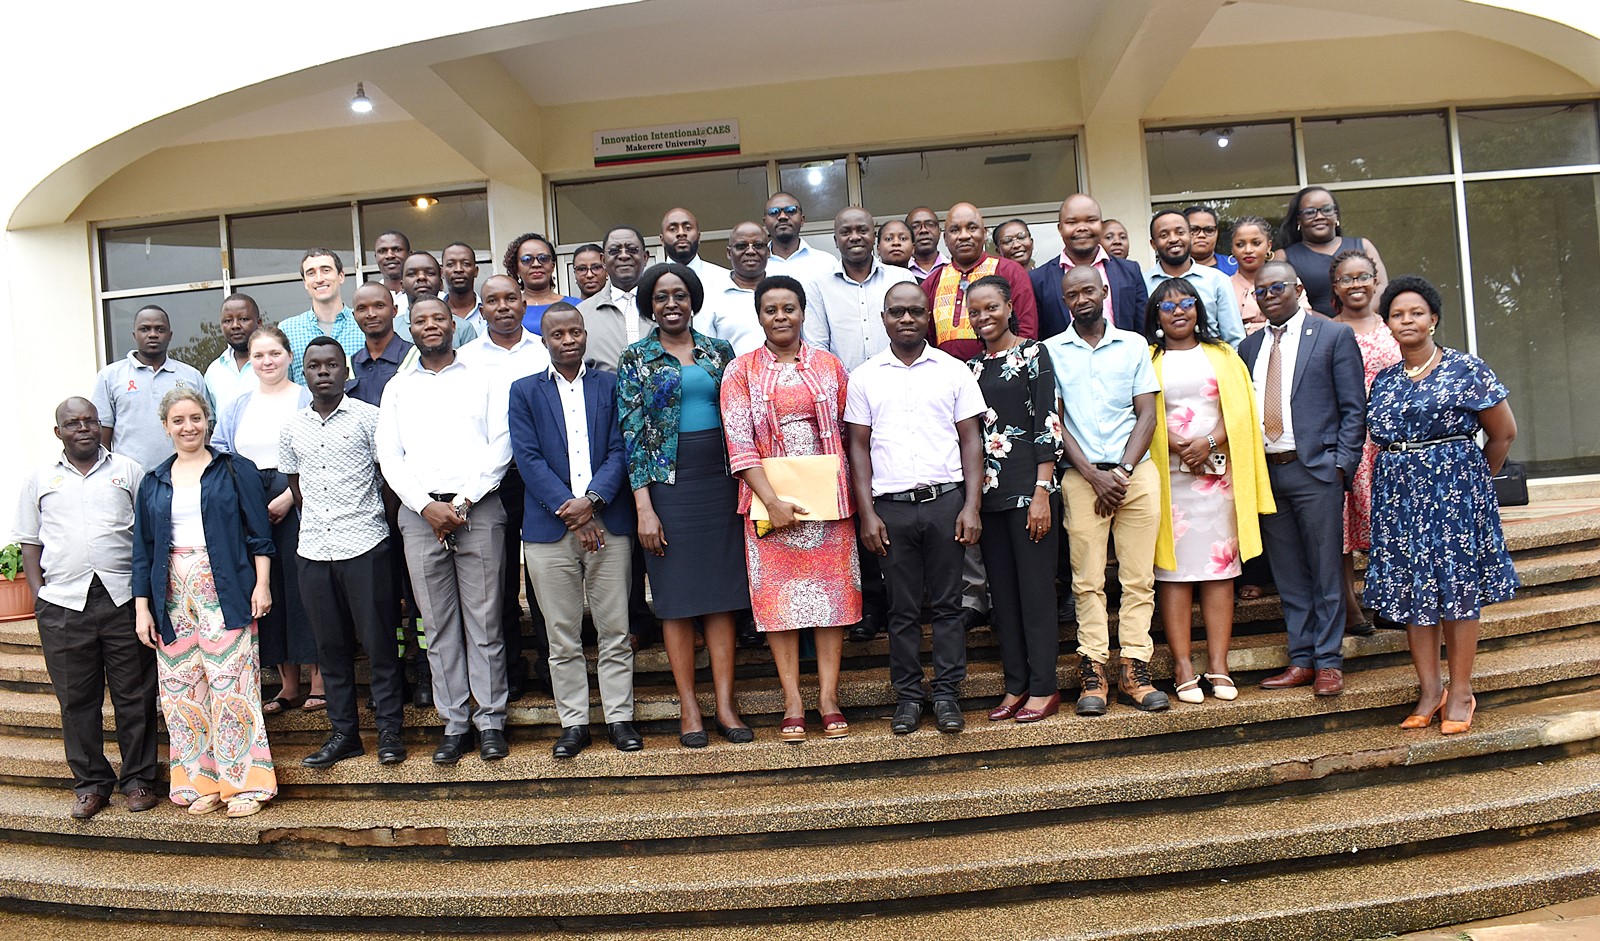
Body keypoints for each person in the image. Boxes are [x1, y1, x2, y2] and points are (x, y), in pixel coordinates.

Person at [1365, 275, 1519, 734]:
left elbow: (1503, 433)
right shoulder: (1386, 380)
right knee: (1414, 593)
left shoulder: (1466, 369)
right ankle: (1430, 690)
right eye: (1397, 314)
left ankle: (1463, 691)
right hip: (1398, 499)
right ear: (1388, 324)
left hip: (1454, 496)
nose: (1406, 320)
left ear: (1433, 319)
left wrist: (1471, 483)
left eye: (1416, 312)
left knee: (1457, 590)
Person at [617, 263, 751, 747]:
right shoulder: (636, 358)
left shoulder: (720, 352)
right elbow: (632, 436)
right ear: (649, 305)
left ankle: (726, 706)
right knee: (675, 605)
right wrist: (644, 508)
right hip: (668, 491)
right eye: (660, 297)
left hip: (719, 484)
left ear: (693, 299)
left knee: (721, 600)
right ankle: (690, 710)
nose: (671, 303)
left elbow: (740, 417)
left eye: (679, 294)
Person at [721, 275, 861, 742]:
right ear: (758, 315)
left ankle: (828, 698)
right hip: (769, 507)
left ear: (802, 312)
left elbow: (847, 434)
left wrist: (841, 493)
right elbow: (738, 444)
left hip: (828, 507)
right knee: (779, 607)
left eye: (789, 308)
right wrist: (772, 501)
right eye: (770, 309)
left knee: (831, 603)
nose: (780, 317)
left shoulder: (829, 366)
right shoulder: (740, 371)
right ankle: (793, 702)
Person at [376, 296, 513, 765]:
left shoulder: (485, 378)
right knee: (436, 626)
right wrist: (425, 506)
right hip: (420, 518)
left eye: (438, 317)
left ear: (454, 323)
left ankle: (491, 720)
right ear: (408, 327)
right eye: (420, 320)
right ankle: (455, 724)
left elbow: (502, 444)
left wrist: (462, 502)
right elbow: (390, 457)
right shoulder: (397, 388)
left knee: (485, 621)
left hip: (478, 510)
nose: (430, 325)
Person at [845, 281, 985, 736]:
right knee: (902, 610)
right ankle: (907, 697)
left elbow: (971, 441)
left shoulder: (953, 370)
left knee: (948, 605)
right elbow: (859, 449)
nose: (906, 319)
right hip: (891, 510)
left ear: (929, 317)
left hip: (945, 502)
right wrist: (867, 513)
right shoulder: (865, 376)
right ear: (884, 318)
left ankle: (946, 694)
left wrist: (971, 506)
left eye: (915, 312)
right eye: (897, 312)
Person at [132, 386, 276, 818]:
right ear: (165, 427)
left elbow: (260, 536)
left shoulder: (235, 471)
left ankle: (246, 784)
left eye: (195, 418)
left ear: (207, 421)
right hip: (170, 593)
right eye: (178, 420)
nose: (187, 427)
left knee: (233, 685)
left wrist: (262, 585)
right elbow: (143, 549)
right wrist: (143, 608)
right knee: (180, 692)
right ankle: (201, 782)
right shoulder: (154, 480)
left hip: (226, 587)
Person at [15, 398, 159, 820]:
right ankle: (92, 784)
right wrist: (40, 595)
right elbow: (29, 540)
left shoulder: (128, 471)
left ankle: (138, 780)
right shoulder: (39, 478)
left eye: (90, 421)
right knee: (76, 699)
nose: (83, 428)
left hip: (122, 599)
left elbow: (146, 533)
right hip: (63, 605)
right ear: (57, 431)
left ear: (101, 427)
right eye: (72, 423)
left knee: (134, 694)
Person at [508, 303, 640, 758]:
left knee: (615, 629)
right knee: (560, 634)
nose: (568, 340)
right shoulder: (524, 391)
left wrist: (594, 503)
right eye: (558, 334)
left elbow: (622, 449)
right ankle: (575, 723)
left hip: (609, 521)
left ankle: (620, 718)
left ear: (585, 335)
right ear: (544, 341)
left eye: (575, 332)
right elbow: (527, 458)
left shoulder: (610, 383)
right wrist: (573, 511)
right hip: (549, 529)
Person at [1239, 260, 1367, 697]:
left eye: (1277, 287)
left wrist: (1340, 464)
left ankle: (1329, 662)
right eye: (1261, 291)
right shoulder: (1248, 347)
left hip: (1315, 471)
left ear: (1296, 288)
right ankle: (1302, 659)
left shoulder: (1332, 335)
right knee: (1289, 573)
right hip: (1268, 474)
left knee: (1325, 570)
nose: (1269, 295)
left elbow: (1354, 408)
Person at [1144, 279, 1275, 705]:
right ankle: (1183, 664)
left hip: (1218, 478)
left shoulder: (1223, 355)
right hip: (1169, 479)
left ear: (1199, 309)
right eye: (1167, 306)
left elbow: (1241, 412)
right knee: (1174, 572)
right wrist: (1176, 444)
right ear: (1156, 316)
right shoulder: (1146, 358)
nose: (1178, 311)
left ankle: (1218, 664)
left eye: (1186, 303)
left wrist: (1209, 442)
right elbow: (1137, 412)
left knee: (1220, 571)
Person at [1045, 266, 1168, 716]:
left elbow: (1148, 416)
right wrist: (1095, 477)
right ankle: (1093, 673)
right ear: (1065, 300)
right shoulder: (1051, 351)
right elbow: (1055, 424)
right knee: (1087, 580)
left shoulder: (1134, 344)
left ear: (1104, 292)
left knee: (1138, 579)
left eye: (1087, 291)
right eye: (1072, 294)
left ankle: (1135, 669)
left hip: (1134, 475)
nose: (1081, 299)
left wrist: (1120, 472)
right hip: (1082, 478)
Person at [282, 338, 407, 768]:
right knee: (330, 648)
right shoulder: (291, 427)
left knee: (379, 644)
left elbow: (388, 479)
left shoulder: (370, 419)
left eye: (332, 364)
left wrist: (377, 523)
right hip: (314, 550)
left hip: (365, 546)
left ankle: (390, 730)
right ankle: (344, 734)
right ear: (304, 371)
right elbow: (296, 486)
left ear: (345, 371)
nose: (323, 372)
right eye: (314, 365)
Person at [924, 203, 1038, 628]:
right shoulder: (935, 280)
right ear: (944, 236)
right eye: (954, 229)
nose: (963, 235)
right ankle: (976, 595)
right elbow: (929, 341)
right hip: (953, 402)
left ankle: (1022, 591)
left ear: (984, 230)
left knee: (1012, 496)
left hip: (1006, 398)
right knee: (967, 491)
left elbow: (1027, 329)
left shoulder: (1010, 272)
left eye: (972, 226)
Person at [964, 276, 1065, 723]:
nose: (983, 318)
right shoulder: (970, 369)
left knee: (1036, 593)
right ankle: (1015, 685)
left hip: (1031, 491)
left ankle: (1045, 687)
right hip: (988, 495)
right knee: (1002, 598)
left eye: (991, 308)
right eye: (974, 312)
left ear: (1009, 306)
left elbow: (1048, 421)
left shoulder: (1033, 353)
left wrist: (1042, 491)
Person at [211, 325, 319, 716]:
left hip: (300, 499)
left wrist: (290, 497)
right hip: (251, 502)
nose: (267, 361)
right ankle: (288, 685)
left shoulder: (306, 399)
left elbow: (318, 451)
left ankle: (318, 681)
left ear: (289, 356)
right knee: (267, 588)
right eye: (259, 356)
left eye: (274, 353)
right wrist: (248, 504)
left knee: (306, 586)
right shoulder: (238, 405)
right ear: (250, 362)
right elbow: (220, 455)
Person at [458, 275, 554, 703]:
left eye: (510, 298)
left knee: (542, 576)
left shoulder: (544, 350)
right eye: (492, 301)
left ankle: (553, 665)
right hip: (485, 482)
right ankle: (509, 669)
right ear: (481, 310)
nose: (502, 307)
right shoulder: (465, 359)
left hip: (541, 477)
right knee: (494, 582)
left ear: (522, 303)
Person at [343, 282, 431, 708]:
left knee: (420, 590)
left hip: (413, 493)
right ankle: (394, 675)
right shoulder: (350, 367)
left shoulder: (412, 359)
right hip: (366, 496)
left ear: (393, 309)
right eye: (362, 308)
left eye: (379, 305)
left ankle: (428, 671)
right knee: (386, 591)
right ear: (354, 315)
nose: (371, 313)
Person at [1331, 250, 1401, 636]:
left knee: (1388, 524)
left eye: (1363, 277)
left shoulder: (1395, 325)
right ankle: (1352, 608)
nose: (1356, 284)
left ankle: (1391, 600)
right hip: (1348, 440)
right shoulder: (1324, 329)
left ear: (1376, 281)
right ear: (1335, 288)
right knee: (1343, 530)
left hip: (1391, 443)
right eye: (1346, 279)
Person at [92, 305, 207, 470]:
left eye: (160, 329)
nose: (153, 334)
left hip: (185, 474)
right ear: (134, 335)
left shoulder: (191, 376)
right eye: (145, 329)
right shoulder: (110, 377)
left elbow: (205, 430)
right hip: (131, 478)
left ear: (170, 335)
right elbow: (102, 438)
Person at [804, 206, 918, 371]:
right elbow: (817, 346)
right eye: (846, 232)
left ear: (874, 236)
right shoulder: (818, 286)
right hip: (844, 389)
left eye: (862, 230)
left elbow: (914, 335)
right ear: (836, 241)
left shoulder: (901, 278)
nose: (855, 237)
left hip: (898, 383)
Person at [1032, 194, 1149, 337]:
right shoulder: (1038, 279)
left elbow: (1143, 327)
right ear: (1060, 228)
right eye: (1072, 222)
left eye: (1091, 220)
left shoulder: (1130, 271)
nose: (1082, 228)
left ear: (1101, 224)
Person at [1278, 186, 1389, 317]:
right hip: (1315, 332)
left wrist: (1359, 318)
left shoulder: (1363, 245)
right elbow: (1283, 300)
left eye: (1326, 210)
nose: (1319, 216)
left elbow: (1382, 286)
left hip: (1366, 327)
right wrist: (1331, 327)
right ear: (1298, 220)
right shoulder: (1284, 257)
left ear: (1335, 215)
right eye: (1310, 212)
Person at [1146, 211, 1246, 347]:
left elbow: (1234, 339)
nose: (1174, 239)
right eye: (1164, 235)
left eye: (1180, 232)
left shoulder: (1217, 280)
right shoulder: (1142, 283)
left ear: (1190, 236)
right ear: (1153, 244)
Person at [579, 225, 655, 372]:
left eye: (632, 250)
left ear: (645, 257)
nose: (624, 256)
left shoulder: (666, 307)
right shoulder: (582, 314)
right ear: (603, 260)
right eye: (614, 251)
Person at [280, 249, 362, 385]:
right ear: (305, 282)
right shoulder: (287, 330)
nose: (319, 279)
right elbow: (284, 386)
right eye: (311, 273)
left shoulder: (362, 323)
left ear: (341, 276)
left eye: (326, 270)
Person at [696, 220, 770, 355]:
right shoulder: (711, 297)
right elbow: (705, 353)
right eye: (742, 246)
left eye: (758, 245)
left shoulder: (784, 292)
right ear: (729, 253)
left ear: (768, 251)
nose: (750, 251)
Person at [1228, 216, 1308, 337]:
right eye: (1240, 244)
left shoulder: (1290, 281)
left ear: (1269, 246)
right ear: (1232, 249)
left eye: (1256, 243)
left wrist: (1248, 328)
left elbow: (1304, 321)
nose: (1248, 250)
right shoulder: (1224, 286)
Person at [395, 251, 478, 349]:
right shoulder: (392, 328)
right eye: (412, 274)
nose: (421, 277)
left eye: (430, 273)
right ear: (401, 285)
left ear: (441, 283)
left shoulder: (464, 328)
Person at [504, 232, 579, 335]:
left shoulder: (578, 306)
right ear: (516, 268)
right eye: (527, 259)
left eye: (543, 258)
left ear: (552, 265)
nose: (536, 264)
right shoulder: (506, 309)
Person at [203, 293, 261, 416]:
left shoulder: (273, 365)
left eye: (243, 319)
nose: (235, 326)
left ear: (259, 323)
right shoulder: (214, 371)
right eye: (228, 321)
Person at [764, 192, 836, 284]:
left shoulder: (826, 263)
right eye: (773, 212)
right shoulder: (754, 266)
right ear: (765, 222)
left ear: (802, 220)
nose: (782, 217)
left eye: (791, 210)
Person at [661, 207, 730, 284]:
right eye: (673, 229)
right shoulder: (650, 283)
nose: (681, 233)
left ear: (699, 236)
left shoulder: (724, 279)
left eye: (688, 228)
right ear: (662, 240)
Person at [441, 242, 486, 337]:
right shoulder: (434, 311)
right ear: (442, 272)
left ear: (476, 271)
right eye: (450, 264)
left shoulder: (489, 310)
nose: (458, 269)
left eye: (466, 264)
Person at [1183, 206, 1237, 275]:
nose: (1201, 235)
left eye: (1209, 230)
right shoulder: (1169, 269)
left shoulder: (1235, 267)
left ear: (1217, 233)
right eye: (1194, 229)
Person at [371, 229, 411, 313]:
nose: (389, 256)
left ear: (409, 255)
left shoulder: (432, 296)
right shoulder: (368, 297)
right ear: (376, 257)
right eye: (382, 251)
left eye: (397, 250)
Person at [904, 206, 947, 282]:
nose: (923, 230)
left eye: (930, 224)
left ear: (939, 232)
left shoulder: (953, 269)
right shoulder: (901, 273)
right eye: (915, 226)